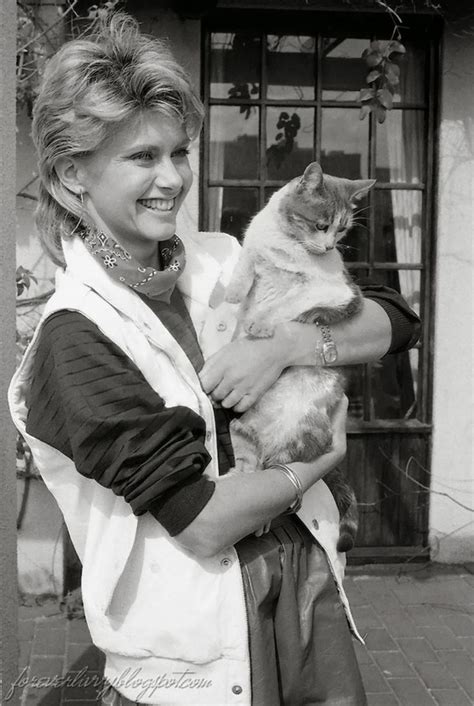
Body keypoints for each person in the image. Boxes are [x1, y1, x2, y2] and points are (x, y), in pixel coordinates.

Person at [9, 13, 419, 706]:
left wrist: (290, 344)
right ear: (70, 176)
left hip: (306, 589)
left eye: (180, 151)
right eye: (142, 157)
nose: (172, 178)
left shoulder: (221, 259)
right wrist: (316, 461)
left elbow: (395, 321)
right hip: (193, 657)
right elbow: (201, 519)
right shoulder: (74, 339)